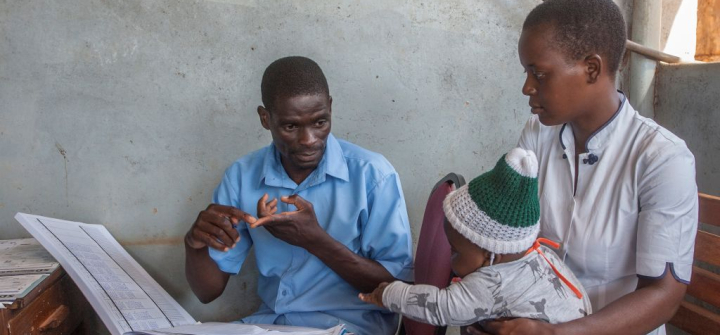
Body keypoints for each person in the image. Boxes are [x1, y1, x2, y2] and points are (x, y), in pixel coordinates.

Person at [467, 1, 698, 334]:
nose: (527, 87)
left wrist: (555, 333)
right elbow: (511, 241)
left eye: (540, 73)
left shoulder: (661, 158)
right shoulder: (537, 133)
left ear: (592, 69)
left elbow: (663, 294)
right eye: (526, 73)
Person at [183, 56, 414, 335]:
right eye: (291, 126)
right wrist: (194, 244)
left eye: (320, 122)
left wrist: (315, 241)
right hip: (270, 325)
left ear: (330, 107)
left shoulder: (373, 176)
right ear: (265, 118)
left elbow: (400, 293)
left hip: (351, 327)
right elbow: (207, 292)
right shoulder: (242, 176)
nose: (309, 139)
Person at [360, 148, 592, 325]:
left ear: (491, 254)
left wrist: (389, 293)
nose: (449, 260)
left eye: (455, 251)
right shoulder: (542, 256)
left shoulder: (494, 282)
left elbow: (442, 307)